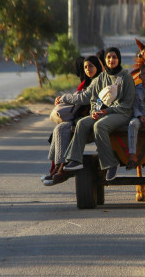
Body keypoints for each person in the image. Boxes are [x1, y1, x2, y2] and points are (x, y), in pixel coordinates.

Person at [63, 47, 135, 182]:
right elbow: (95, 99)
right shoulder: (102, 77)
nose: (111, 60)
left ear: (118, 59)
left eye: (114, 57)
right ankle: (75, 159)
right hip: (102, 113)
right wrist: (94, 112)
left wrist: (107, 111)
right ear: (105, 60)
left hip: (122, 113)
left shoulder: (126, 77)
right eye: (108, 57)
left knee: (99, 126)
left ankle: (111, 164)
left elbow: (128, 104)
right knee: (82, 123)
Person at [43, 55, 103, 186]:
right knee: (59, 128)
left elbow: (85, 98)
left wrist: (64, 98)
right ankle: (58, 167)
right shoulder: (90, 81)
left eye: (91, 66)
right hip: (89, 115)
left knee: (63, 128)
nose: (88, 69)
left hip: (99, 116)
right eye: (86, 67)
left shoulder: (99, 80)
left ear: (97, 67)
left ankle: (62, 168)